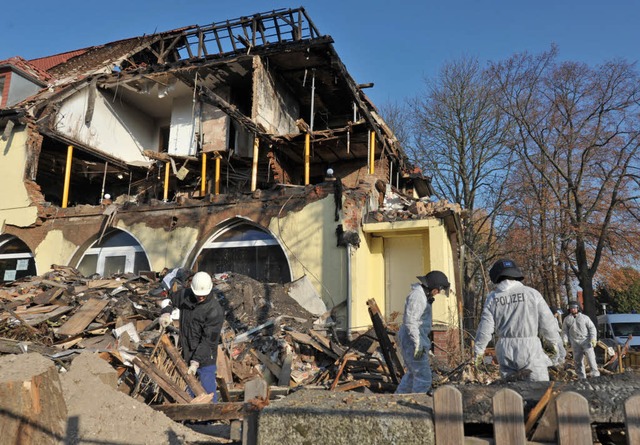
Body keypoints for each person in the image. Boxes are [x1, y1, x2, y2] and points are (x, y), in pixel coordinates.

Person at [474, 259, 566, 382]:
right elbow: (548, 324)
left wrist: (478, 352)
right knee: (538, 390)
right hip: (530, 348)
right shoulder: (532, 294)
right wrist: (555, 345)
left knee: (511, 393)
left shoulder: (492, 298)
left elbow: (484, 329)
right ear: (516, 274)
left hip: (504, 349)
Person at [159, 271, 224, 400]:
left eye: (203, 295)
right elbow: (169, 299)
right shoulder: (185, 295)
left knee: (207, 389)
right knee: (188, 392)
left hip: (205, 357)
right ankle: (191, 419)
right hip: (186, 351)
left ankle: (211, 418)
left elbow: (209, 341)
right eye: (198, 295)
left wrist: (196, 362)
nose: (200, 297)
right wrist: (166, 312)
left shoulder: (215, 311)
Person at [395, 270, 450, 395]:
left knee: (412, 374)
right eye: (437, 291)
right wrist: (418, 344)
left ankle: (399, 400)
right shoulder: (418, 296)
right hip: (413, 340)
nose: (436, 294)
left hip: (413, 339)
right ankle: (416, 407)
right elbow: (411, 322)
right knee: (423, 378)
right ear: (434, 289)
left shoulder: (422, 295)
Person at [562, 300, 600, 379]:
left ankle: (595, 375)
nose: (573, 309)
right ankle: (581, 377)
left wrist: (593, 339)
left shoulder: (584, 318)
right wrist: (565, 340)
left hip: (586, 341)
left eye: (574, 308)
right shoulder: (567, 319)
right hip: (575, 342)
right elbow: (564, 331)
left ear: (578, 308)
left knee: (591, 359)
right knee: (577, 361)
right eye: (571, 308)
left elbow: (592, 328)